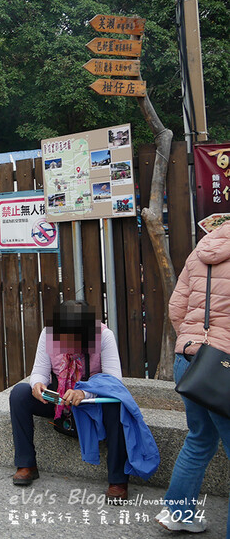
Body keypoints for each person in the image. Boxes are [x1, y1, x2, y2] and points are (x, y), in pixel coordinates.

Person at [9, 300, 130, 501]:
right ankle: (26, 463)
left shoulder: (105, 336)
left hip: (92, 400)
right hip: (61, 399)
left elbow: (114, 382)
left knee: (116, 405)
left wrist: (85, 394)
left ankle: (118, 480)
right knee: (20, 394)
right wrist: (38, 385)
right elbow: (39, 371)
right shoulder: (48, 334)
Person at [156, 221, 230, 534]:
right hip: (224, 365)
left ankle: (178, 513)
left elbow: (176, 306)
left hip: (189, 360)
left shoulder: (201, 249)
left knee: (199, 438)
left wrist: (192, 341)